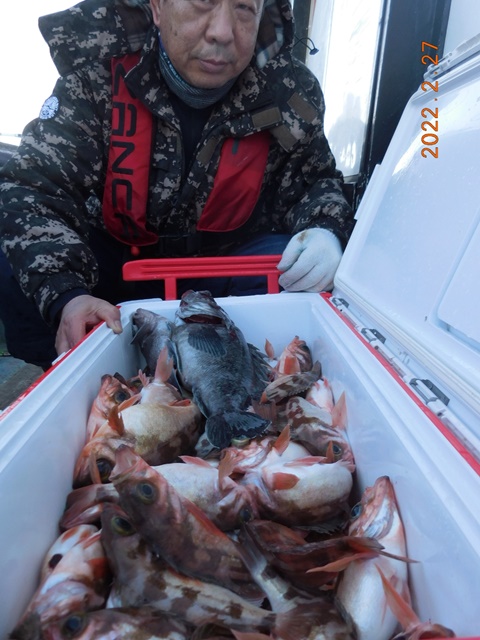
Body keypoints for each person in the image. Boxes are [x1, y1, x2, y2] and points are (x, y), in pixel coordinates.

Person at [0, 0, 354, 370]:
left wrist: (325, 231)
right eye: (202, 2)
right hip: (115, 266)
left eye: (244, 8)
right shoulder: (96, 73)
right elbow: (35, 188)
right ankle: (57, 373)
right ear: (157, 8)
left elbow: (314, 182)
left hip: (223, 268)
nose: (222, 32)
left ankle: (262, 374)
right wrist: (67, 296)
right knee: (22, 260)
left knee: (300, 266)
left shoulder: (291, 91)